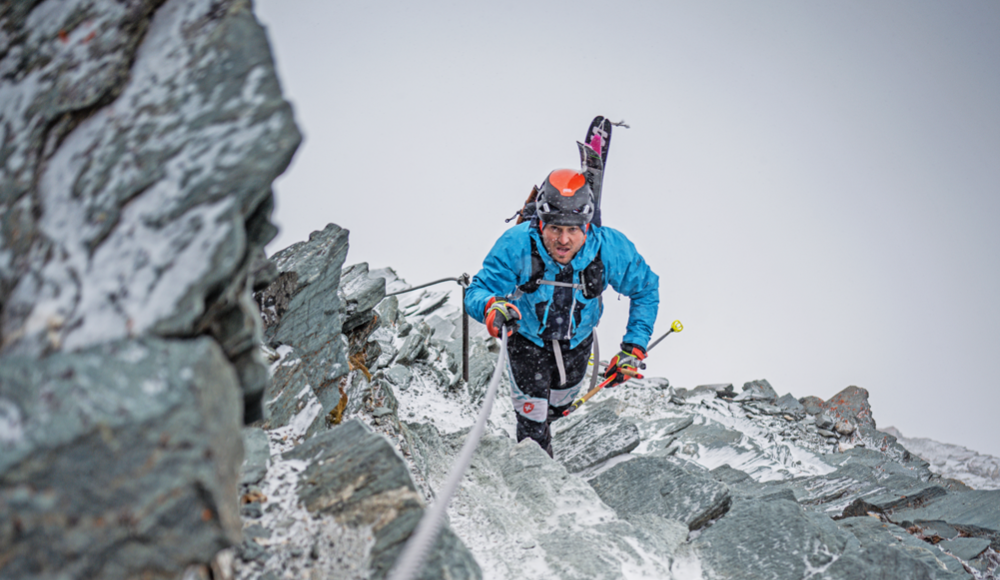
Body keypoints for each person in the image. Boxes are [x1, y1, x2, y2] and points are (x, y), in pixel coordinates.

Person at [465, 168, 659, 456]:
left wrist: (634, 347)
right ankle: (536, 477)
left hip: (577, 344)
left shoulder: (610, 248)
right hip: (527, 341)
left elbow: (645, 289)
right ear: (541, 223)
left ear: (587, 226)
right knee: (532, 423)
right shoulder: (517, 243)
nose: (563, 240)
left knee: (560, 407)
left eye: (572, 229)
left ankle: (550, 422)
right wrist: (491, 306)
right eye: (555, 228)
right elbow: (477, 290)